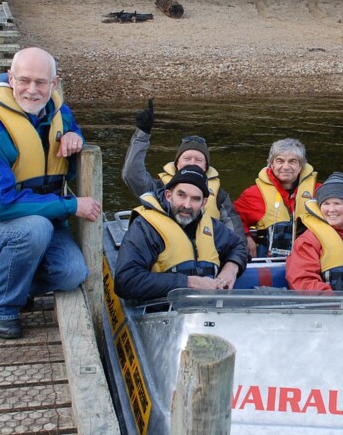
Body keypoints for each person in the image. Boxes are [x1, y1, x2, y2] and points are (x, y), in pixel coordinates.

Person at [0, 47, 100, 339]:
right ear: (10, 78)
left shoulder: (59, 113)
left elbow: (73, 147)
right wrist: (70, 206)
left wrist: (75, 137)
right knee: (34, 229)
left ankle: (19, 280)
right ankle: (1, 306)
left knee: (72, 273)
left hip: (45, 221)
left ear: (54, 84)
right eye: (24, 80)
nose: (32, 90)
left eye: (41, 82)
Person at [114, 165, 247, 302]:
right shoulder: (145, 227)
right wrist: (188, 282)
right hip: (160, 312)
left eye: (195, 199)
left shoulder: (212, 227)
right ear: (169, 195)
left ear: (204, 203)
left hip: (208, 311)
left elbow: (239, 245)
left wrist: (232, 267)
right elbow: (125, 280)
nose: (187, 205)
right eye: (181, 195)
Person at [121, 98, 243, 232]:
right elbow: (131, 174)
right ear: (177, 164)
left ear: (206, 167)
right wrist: (142, 134)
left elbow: (234, 229)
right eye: (187, 158)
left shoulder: (220, 194)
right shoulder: (159, 187)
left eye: (198, 160)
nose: (192, 163)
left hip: (206, 249)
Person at [233, 138, 319, 259]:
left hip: (308, 260)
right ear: (271, 164)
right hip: (269, 261)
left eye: (292, 162)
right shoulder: (253, 193)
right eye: (280, 161)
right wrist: (246, 237)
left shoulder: (319, 192)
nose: (286, 167)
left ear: (301, 166)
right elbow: (232, 217)